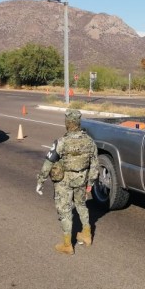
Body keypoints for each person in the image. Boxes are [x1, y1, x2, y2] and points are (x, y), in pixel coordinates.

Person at [36, 108, 99, 255]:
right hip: (82, 179)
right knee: (81, 204)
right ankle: (87, 235)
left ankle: (67, 245)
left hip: (65, 181)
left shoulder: (61, 142)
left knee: (64, 210)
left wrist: (41, 180)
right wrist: (91, 182)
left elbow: (48, 162)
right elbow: (95, 164)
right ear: (78, 123)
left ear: (67, 123)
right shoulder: (90, 141)